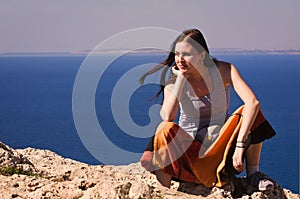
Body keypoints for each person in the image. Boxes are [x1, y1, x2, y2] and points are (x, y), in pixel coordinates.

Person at [139, 29, 276, 191]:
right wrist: (181, 80)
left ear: (202, 55)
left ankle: (253, 174)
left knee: (249, 110)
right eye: (177, 54)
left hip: (219, 148)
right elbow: (168, 116)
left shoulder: (224, 70)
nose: (180, 59)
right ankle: (165, 190)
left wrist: (240, 146)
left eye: (186, 54)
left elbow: (253, 102)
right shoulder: (175, 81)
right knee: (164, 128)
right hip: (189, 153)